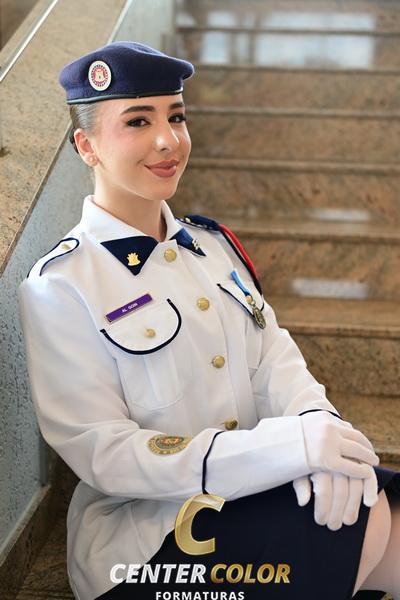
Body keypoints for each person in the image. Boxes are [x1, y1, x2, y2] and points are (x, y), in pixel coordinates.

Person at [18, 41, 400, 600]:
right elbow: (107, 454)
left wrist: (319, 429)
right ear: (87, 145)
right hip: (147, 536)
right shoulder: (62, 283)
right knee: (362, 526)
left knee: (376, 503)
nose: (168, 140)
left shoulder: (212, 247)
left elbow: (275, 359)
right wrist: (284, 449)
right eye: (138, 121)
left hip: (260, 488)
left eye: (176, 117)